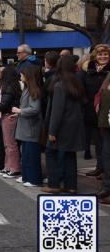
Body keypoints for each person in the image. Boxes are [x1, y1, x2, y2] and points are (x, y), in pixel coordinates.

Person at [42, 56, 86, 194]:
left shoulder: (59, 85)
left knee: (51, 153)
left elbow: (57, 111)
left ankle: (54, 184)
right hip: (74, 125)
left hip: (61, 126)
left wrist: (52, 131)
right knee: (69, 155)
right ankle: (71, 185)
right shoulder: (76, 83)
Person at [13, 65, 44, 187]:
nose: (20, 76)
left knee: (32, 156)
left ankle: (34, 179)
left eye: (22, 74)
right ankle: (26, 177)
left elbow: (35, 109)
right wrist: (18, 114)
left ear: (28, 76)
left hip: (31, 127)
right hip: (26, 127)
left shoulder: (33, 90)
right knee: (26, 155)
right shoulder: (28, 89)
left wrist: (19, 111)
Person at [0, 66, 22, 178]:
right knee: (7, 144)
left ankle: (14, 168)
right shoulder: (12, 86)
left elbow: (3, 105)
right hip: (7, 115)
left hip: (8, 116)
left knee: (10, 144)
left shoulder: (9, 87)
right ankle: (8, 167)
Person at [80, 44, 110, 164]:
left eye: (105, 54)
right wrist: (87, 104)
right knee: (98, 142)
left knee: (106, 143)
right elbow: (82, 91)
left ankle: (105, 170)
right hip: (92, 111)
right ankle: (100, 167)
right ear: (95, 56)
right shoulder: (88, 71)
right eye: (100, 54)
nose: (103, 56)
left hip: (107, 112)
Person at [95, 72, 110, 204]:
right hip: (106, 123)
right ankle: (106, 187)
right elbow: (100, 95)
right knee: (107, 156)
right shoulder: (108, 77)